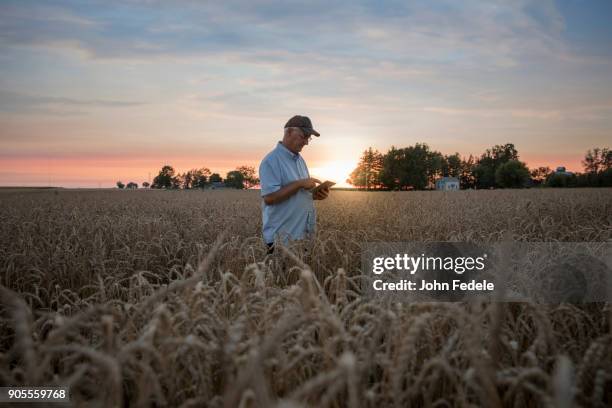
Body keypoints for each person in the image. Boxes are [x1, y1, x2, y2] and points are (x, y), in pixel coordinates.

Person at [259, 115, 330, 254]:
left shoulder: (300, 160)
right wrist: (300, 184)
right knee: (280, 275)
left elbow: (299, 194)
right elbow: (269, 198)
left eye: (308, 138)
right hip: (281, 240)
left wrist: (316, 195)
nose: (306, 142)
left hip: (302, 238)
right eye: (304, 136)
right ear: (289, 132)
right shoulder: (271, 161)